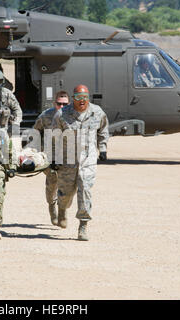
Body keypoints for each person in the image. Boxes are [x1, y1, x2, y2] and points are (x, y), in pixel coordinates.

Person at [52, 85, 109, 241]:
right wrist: (53, 158)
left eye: (85, 98)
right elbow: (54, 136)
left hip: (88, 158)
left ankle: (83, 225)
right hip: (67, 158)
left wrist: (102, 149)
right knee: (65, 192)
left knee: (85, 189)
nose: (82, 101)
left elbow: (103, 130)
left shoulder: (97, 112)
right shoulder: (62, 114)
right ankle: (62, 208)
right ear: (73, 98)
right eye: (78, 98)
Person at [33, 90, 70, 226]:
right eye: (59, 103)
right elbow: (35, 131)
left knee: (67, 186)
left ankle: (63, 212)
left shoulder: (72, 116)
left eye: (64, 104)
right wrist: (37, 152)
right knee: (52, 186)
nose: (61, 106)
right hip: (50, 157)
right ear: (54, 103)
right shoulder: (46, 116)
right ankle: (52, 207)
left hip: (67, 156)